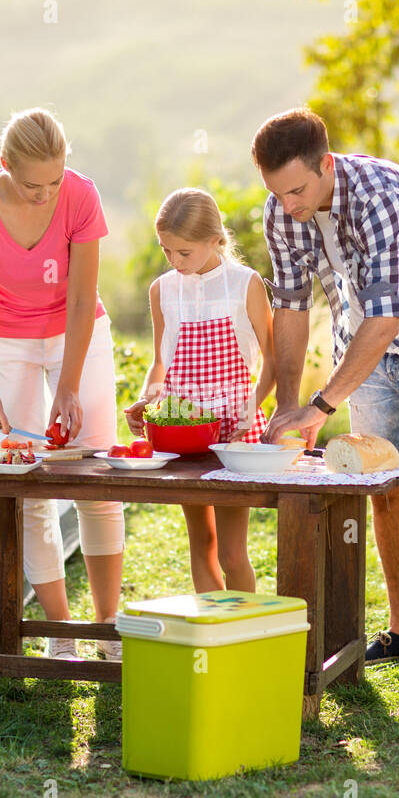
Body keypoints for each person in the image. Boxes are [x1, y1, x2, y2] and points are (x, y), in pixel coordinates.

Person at [252, 107, 399, 686]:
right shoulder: (283, 211)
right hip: (362, 356)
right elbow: (289, 307)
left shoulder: (380, 197)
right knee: (383, 490)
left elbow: (385, 319)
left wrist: (321, 406)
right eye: (277, 194)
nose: (288, 206)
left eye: (298, 190)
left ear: (327, 165)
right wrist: (288, 405)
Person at [0, 108, 124, 661]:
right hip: (2, 339)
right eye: (31, 184)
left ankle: (109, 628)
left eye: (55, 179)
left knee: (97, 472)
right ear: (5, 165)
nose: (46, 194)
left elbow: (79, 297)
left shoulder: (80, 195)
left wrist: (67, 385)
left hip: (77, 331)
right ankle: (60, 631)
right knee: (25, 478)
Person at [124, 188, 276, 593]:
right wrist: (148, 400)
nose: (174, 261)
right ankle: (214, 636)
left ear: (215, 240)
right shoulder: (162, 289)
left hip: (234, 434)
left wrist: (252, 405)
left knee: (231, 553)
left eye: (183, 252)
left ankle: (244, 632)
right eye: (166, 250)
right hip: (182, 434)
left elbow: (272, 361)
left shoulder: (245, 284)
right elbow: (161, 361)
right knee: (201, 545)